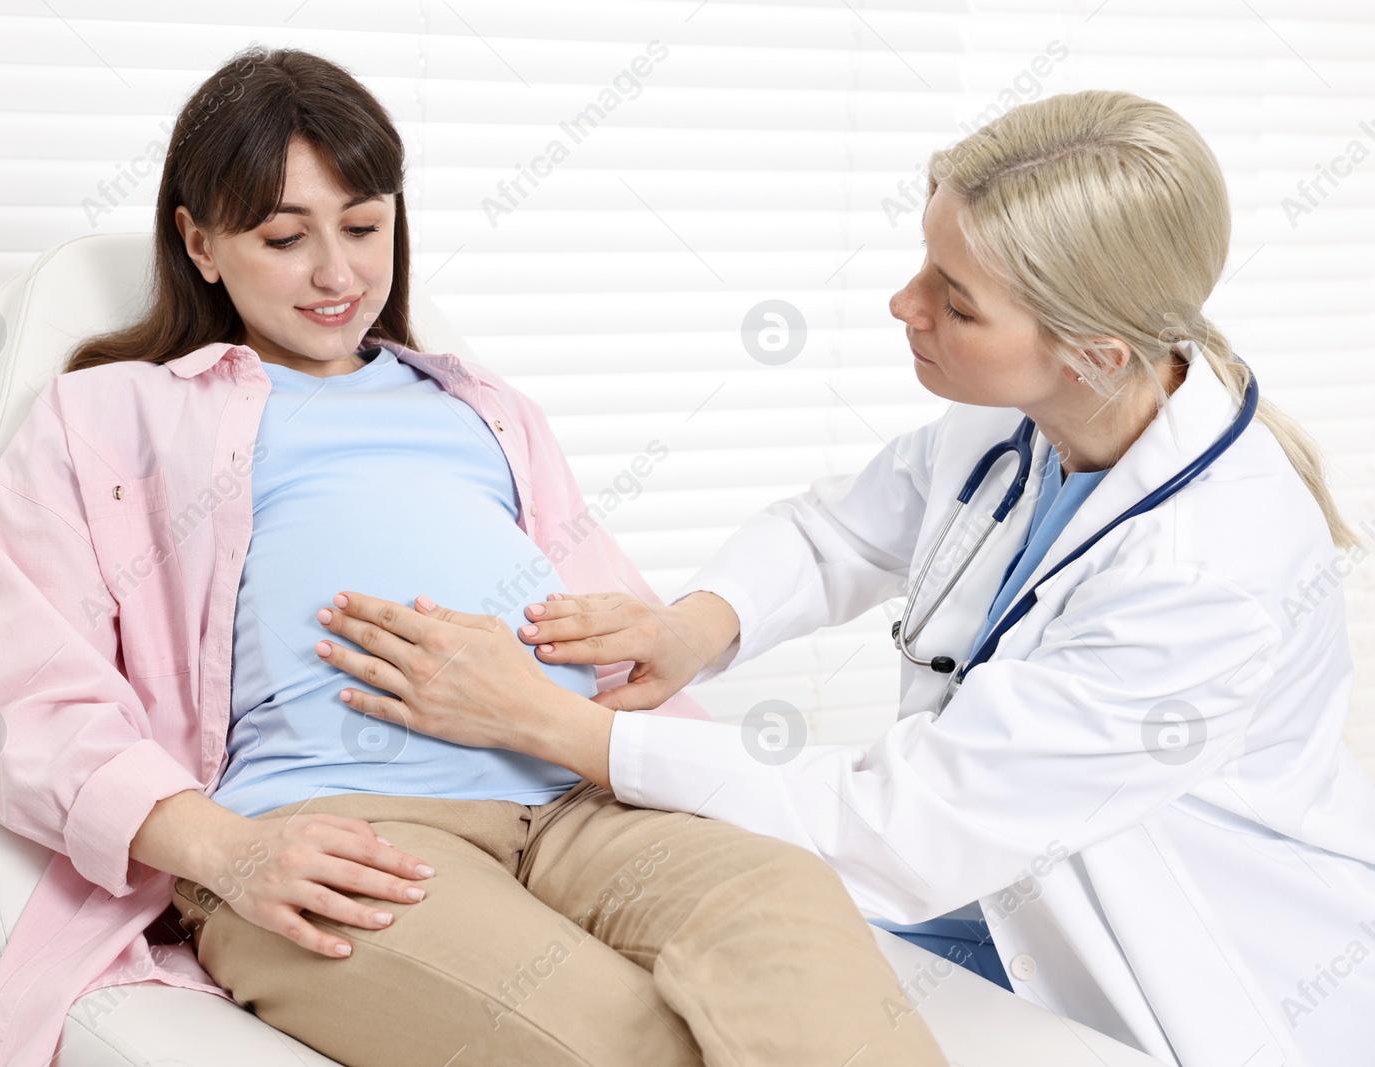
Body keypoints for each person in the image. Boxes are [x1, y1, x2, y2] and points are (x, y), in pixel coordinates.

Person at [317, 89, 1375, 1066]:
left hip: (1167, 947)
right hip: (984, 878)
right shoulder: (1041, 413)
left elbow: (904, 828)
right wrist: (694, 625)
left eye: (954, 303)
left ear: (1091, 351)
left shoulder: (1204, 578)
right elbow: (843, 531)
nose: (901, 303)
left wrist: (553, 728)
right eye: (924, 262)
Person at [0, 46, 949, 1067]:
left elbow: (615, 632)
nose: (337, 273)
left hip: (581, 801)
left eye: (363, 225)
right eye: (284, 236)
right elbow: (27, 712)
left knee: (786, 912)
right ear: (200, 242)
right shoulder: (110, 418)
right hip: (341, 833)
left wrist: (644, 636)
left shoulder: (483, 407)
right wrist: (229, 851)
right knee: (629, 1041)